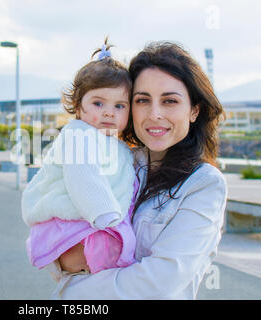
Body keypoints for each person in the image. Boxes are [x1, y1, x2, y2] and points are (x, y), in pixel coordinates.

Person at [51, 41, 227, 299]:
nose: (154, 114)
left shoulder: (204, 184)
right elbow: (59, 241)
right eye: (142, 100)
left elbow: (159, 282)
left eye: (170, 101)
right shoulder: (118, 164)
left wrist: (70, 291)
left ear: (194, 110)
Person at [22, 39, 138, 276]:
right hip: (76, 226)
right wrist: (105, 214)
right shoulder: (78, 134)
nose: (108, 111)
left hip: (94, 228)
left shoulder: (120, 148)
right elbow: (83, 177)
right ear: (78, 107)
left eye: (119, 106)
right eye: (98, 103)